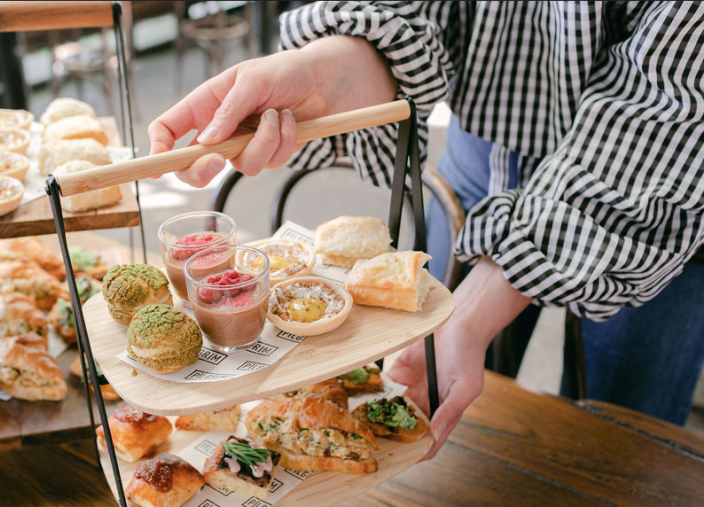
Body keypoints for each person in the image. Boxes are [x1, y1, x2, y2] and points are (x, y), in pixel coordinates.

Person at [148, 2, 704, 459]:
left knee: (620, 450)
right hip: (484, 153)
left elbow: (664, 110)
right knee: (436, 413)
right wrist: (331, 69)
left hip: (656, 200)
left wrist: (469, 313)